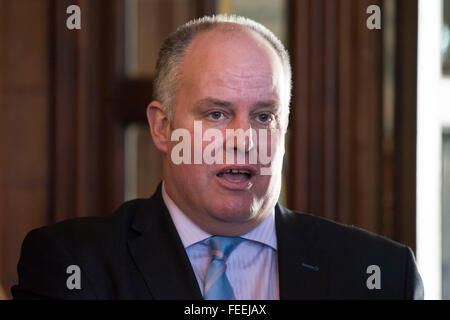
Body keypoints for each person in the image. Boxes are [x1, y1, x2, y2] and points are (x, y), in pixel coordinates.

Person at [11, 15, 423, 300]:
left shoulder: (382, 274)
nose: (243, 139)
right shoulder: (75, 267)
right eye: (216, 114)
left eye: (264, 116)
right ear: (162, 127)